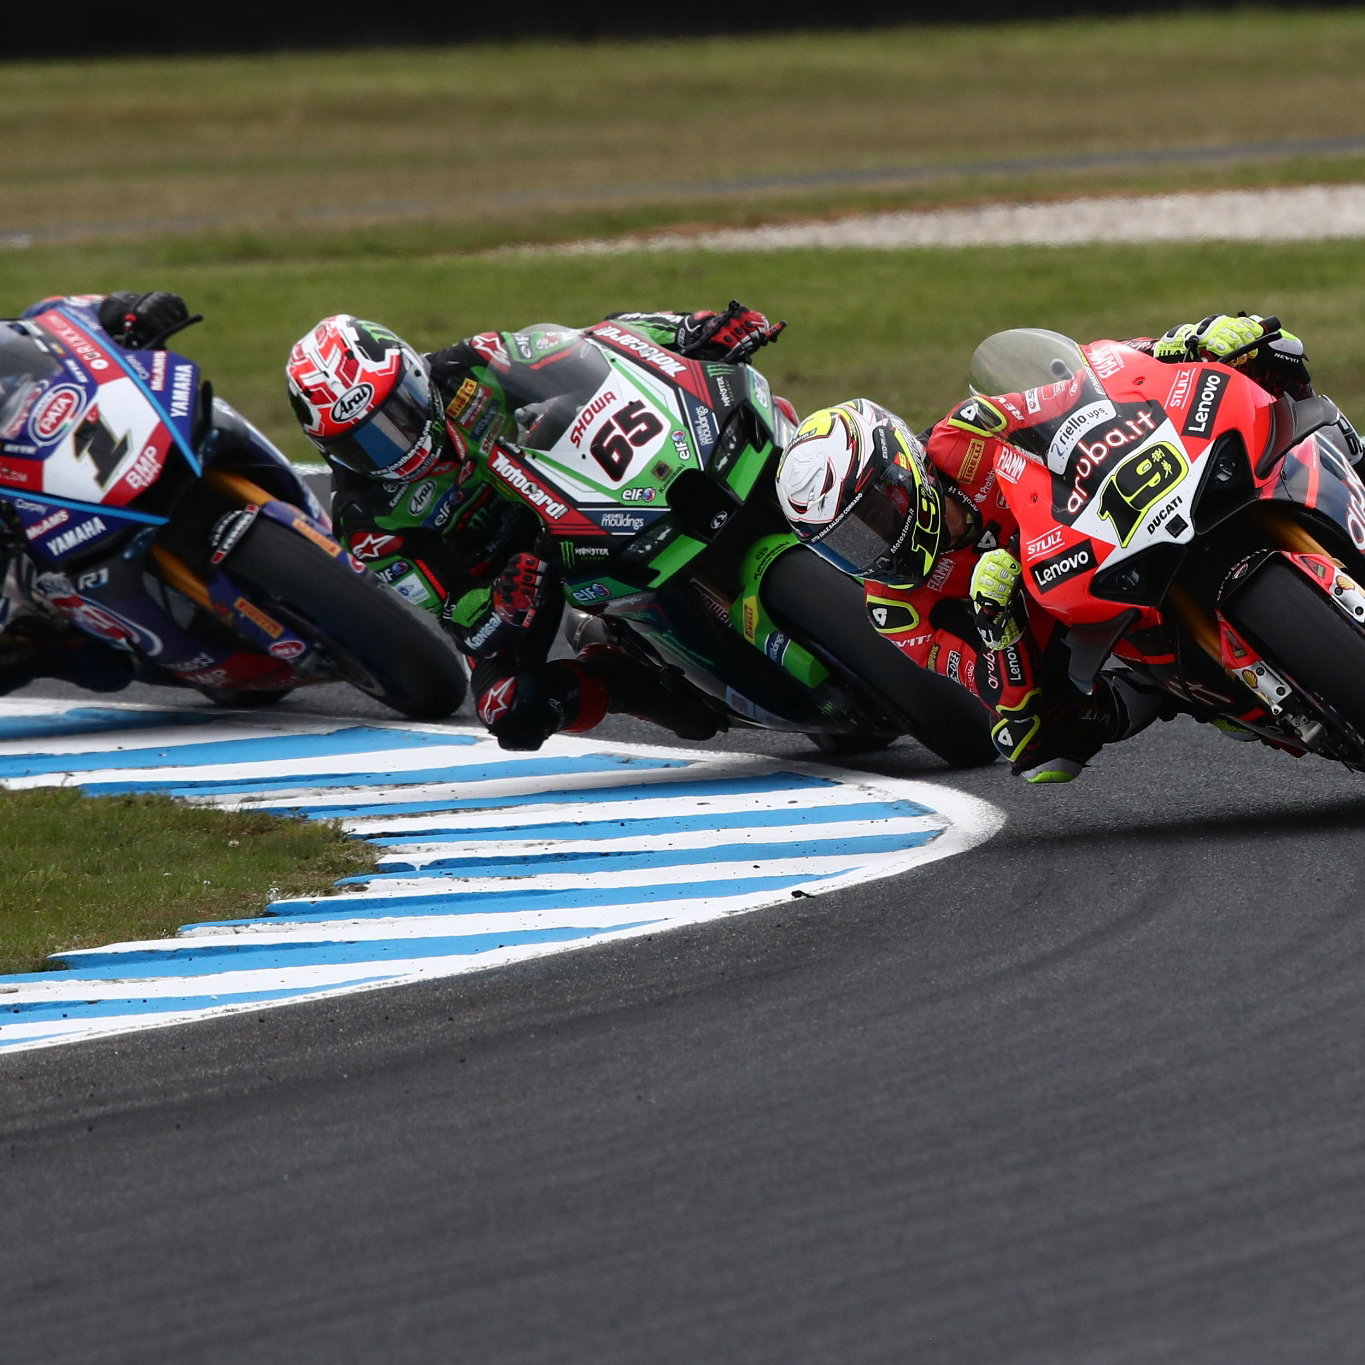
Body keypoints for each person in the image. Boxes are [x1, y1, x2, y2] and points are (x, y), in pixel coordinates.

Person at [774, 312, 1331, 783]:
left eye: (872, 514)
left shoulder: (965, 435)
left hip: (1116, 516)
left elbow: (1085, 379)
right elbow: (998, 700)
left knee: (1266, 355)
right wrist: (1000, 628)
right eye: (845, 543)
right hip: (1091, 622)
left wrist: (1175, 347)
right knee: (1038, 746)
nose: (871, 543)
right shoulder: (898, 609)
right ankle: (1202, 689)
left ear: (900, 467)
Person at [285, 302, 786, 750]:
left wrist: (690, 329)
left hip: (588, 494)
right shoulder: (364, 520)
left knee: (749, 406)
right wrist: (497, 607)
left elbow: (599, 341)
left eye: (397, 413)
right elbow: (453, 608)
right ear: (327, 448)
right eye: (362, 442)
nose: (394, 443)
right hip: (516, 571)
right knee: (510, 710)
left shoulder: (476, 362)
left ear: (415, 376)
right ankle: (642, 678)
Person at [0, 290, 197, 697]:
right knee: (85, 663)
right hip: (40, 549)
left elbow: (59, 318)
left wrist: (130, 308)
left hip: (87, 439)